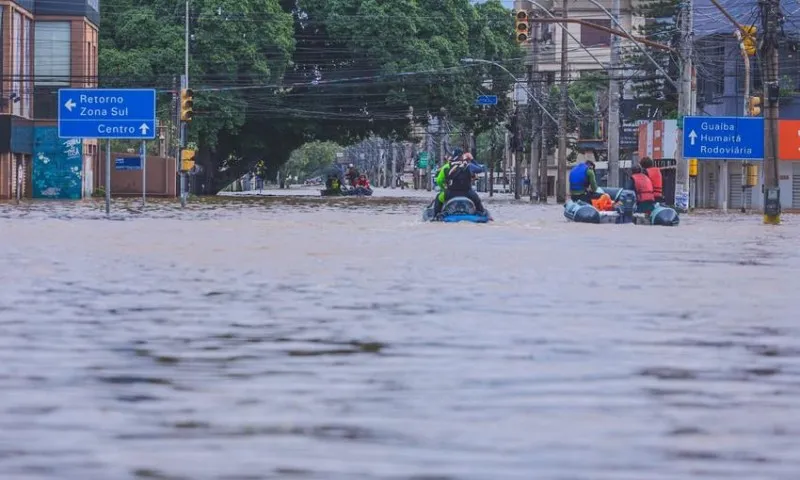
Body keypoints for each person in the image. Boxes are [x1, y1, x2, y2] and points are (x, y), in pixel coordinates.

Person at [433, 151, 486, 216]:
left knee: (438, 198)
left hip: (450, 193)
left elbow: (439, 180)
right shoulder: (469, 165)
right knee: (477, 200)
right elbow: (480, 169)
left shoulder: (447, 166)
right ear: (462, 156)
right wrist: (472, 159)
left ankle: (436, 215)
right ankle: (482, 214)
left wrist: (444, 188)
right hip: (468, 193)